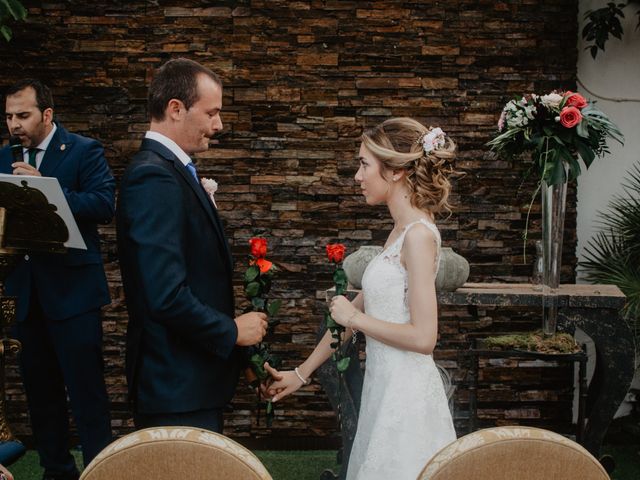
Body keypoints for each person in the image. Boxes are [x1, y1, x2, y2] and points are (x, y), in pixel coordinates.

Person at [265, 117, 458, 479]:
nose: (357, 175)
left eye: (364, 164)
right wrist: (301, 373)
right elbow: (353, 311)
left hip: (407, 400)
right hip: (383, 391)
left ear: (396, 171)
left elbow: (423, 337)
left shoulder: (418, 236)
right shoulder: (398, 233)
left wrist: (355, 320)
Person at [116, 58, 267, 432]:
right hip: (175, 387)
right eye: (212, 112)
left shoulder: (172, 171)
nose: (219, 125)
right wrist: (232, 332)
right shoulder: (154, 177)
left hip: (191, 382)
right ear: (175, 108)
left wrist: (243, 357)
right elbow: (165, 295)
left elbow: (199, 281)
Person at [0, 79, 115, 480]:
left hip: (74, 296)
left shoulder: (83, 150)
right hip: (25, 295)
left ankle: (100, 472)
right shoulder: (1, 157)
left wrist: (45, 190)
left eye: (23, 115)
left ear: (47, 115)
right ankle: (56, 472)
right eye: (10, 116)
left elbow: (104, 203)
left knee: (87, 395)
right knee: (41, 396)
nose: (14, 124)